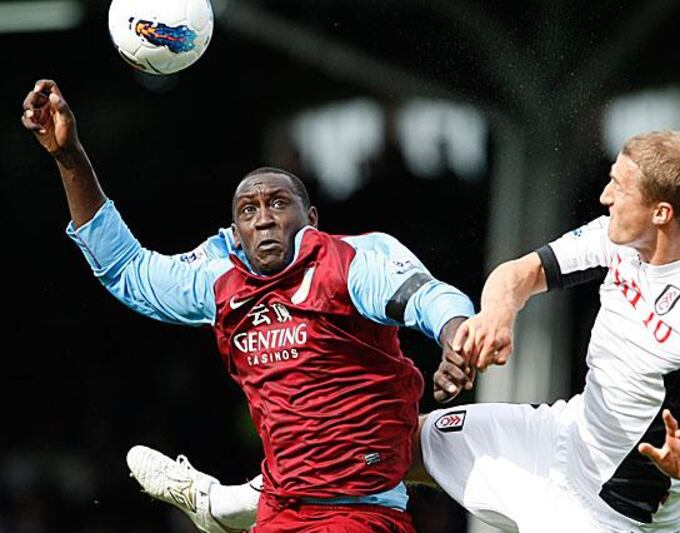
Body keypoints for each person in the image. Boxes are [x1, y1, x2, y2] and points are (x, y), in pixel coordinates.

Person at [125, 129, 680, 532]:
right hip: (563, 434)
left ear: (662, 211)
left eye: (619, 187)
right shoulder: (624, 235)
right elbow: (520, 272)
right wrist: (492, 316)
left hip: (613, 512)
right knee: (384, 444)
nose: (604, 196)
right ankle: (223, 506)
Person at [21, 79, 475, 533]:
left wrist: (456, 335)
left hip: (360, 512)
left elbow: (428, 296)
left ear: (311, 219)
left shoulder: (348, 264)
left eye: (278, 203)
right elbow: (127, 270)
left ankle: (214, 504)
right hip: (280, 512)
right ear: (235, 230)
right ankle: (216, 505)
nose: (263, 219)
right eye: (248, 210)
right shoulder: (221, 284)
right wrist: (69, 156)